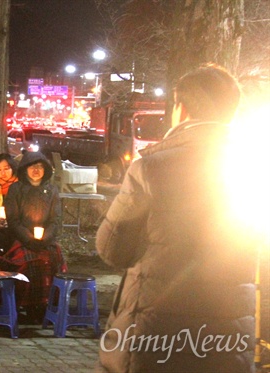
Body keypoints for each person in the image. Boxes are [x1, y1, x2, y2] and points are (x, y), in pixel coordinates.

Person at [96, 64, 257, 372]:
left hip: (155, 333)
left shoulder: (150, 169)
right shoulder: (254, 170)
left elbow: (112, 249)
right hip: (226, 338)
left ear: (181, 110)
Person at [4, 151, 64, 322]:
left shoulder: (51, 190)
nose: (37, 170)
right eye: (33, 166)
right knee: (30, 262)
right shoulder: (16, 189)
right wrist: (28, 238)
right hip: (22, 240)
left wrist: (45, 238)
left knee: (52, 260)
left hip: (46, 240)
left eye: (40, 167)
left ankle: (49, 304)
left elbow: (55, 219)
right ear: (25, 169)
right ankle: (28, 304)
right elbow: (13, 219)